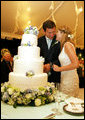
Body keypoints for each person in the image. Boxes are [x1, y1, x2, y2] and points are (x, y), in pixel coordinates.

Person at [53, 26, 79, 97]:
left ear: (62, 33)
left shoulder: (67, 45)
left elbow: (76, 64)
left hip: (70, 79)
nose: (55, 34)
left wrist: (59, 69)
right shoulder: (64, 45)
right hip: (65, 77)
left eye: (57, 32)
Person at [38, 20, 61, 85]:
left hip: (55, 74)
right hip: (42, 74)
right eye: (49, 32)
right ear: (44, 31)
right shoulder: (39, 41)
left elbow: (61, 58)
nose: (52, 35)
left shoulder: (59, 40)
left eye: (53, 32)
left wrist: (51, 65)